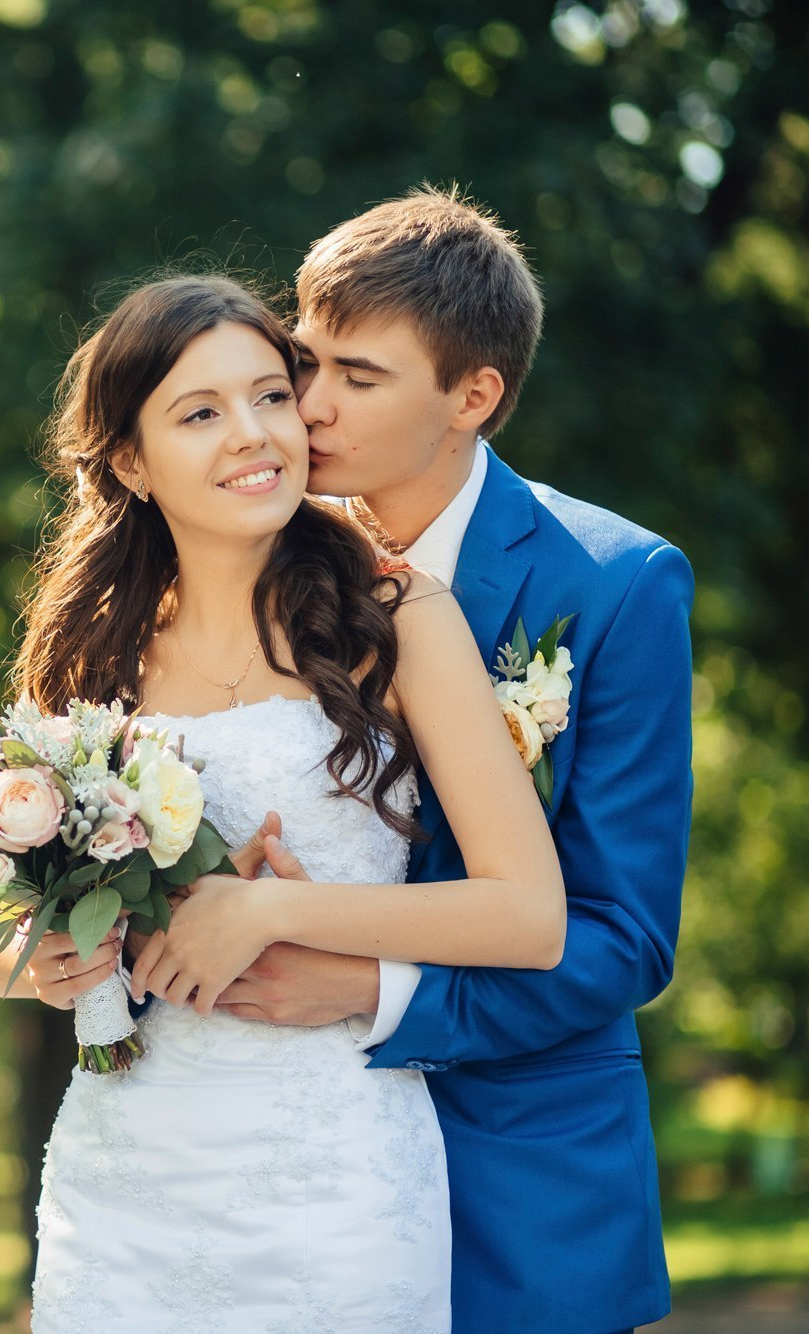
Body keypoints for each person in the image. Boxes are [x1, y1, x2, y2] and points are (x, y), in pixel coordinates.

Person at [0, 270, 566, 1331]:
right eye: (200, 412)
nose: (254, 434)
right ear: (131, 461)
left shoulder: (396, 613)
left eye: (270, 395)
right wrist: (45, 967)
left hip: (335, 1179)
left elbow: (526, 911)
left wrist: (272, 907)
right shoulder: (89, 651)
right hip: (125, 1182)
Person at [208, 187, 695, 1333]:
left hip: (518, 1193)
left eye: (359, 378)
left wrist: (373, 991)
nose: (308, 407)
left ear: (471, 394)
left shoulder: (614, 585)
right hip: (276, 1177)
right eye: (304, 360)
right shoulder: (236, 565)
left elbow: (622, 936)